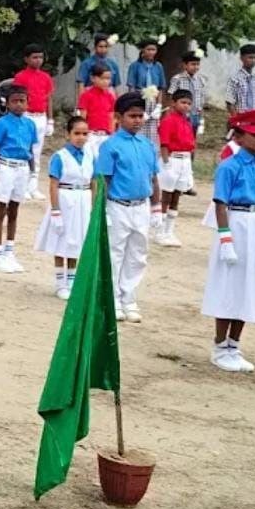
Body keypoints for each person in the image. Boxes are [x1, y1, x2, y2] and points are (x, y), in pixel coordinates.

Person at [94, 92, 162, 324]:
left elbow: (153, 178)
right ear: (118, 117)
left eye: (140, 116)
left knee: (138, 254)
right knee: (115, 253)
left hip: (141, 205)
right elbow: (104, 180)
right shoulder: (110, 145)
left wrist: (157, 207)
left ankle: (129, 298)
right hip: (118, 205)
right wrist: (101, 210)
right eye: (132, 116)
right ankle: (112, 299)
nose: (137, 120)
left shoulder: (148, 145)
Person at [202, 108, 255, 372]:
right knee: (228, 284)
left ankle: (234, 344)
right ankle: (219, 345)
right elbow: (221, 204)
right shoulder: (230, 166)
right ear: (239, 136)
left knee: (249, 285)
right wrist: (226, 239)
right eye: (254, 135)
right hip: (235, 222)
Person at [34, 116, 94, 299]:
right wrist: (56, 210)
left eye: (85, 134)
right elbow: (54, 184)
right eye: (77, 133)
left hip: (83, 198)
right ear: (68, 134)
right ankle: (61, 282)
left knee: (77, 240)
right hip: (66, 200)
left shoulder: (90, 155)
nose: (81, 138)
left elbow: (93, 182)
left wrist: (94, 205)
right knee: (62, 240)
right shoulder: (60, 157)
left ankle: (72, 279)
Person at [0, 86, 38, 274]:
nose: (19, 104)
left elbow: (30, 150)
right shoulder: (2, 123)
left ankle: (10, 250)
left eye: (22, 101)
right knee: (1, 208)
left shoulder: (30, 124)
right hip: (6, 166)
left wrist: (33, 174)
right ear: (7, 104)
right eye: (15, 101)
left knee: (15, 209)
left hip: (22, 167)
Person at [12, 44, 55, 200]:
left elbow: (49, 98)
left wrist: (50, 119)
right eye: (34, 57)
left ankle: (33, 186)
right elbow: (16, 98)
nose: (38, 60)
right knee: (23, 151)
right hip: (26, 115)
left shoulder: (46, 77)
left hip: (41, 117)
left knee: (36, 153)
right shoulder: (21, 77)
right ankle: (21, 186)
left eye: (40, 57)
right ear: (27, 59)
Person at [154, 90, 196, 247]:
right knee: (166, 196)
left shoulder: (187, 122)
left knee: (176, 196)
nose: (186, 106)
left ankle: (169, 231)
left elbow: (191, 145)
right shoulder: (168, 121)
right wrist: (166, 163)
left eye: (189, 103)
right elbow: (164, 143)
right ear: (174, 103)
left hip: (185, 161)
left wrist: (189, 168)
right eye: (183, 102)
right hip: (172, 159)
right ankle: (159, 231)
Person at [126, 37, 167, 144]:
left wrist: (159, 106)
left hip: (153, 102)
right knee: (139, 128)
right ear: (143, 50)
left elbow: (161, 87)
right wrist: (133, 104)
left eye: (153, 50)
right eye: (148, 49)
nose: (151, 52)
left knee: (152, 133)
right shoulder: (135, 66)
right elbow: (131, 87)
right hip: (139, 99)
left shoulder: (158, 66)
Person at [77, 62, 115, 158]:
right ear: (93, 78)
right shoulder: (86, 96)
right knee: (91, 160)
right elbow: (83, 117)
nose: (106, 82)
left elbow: (112, 117)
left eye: (108, 78)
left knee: (104, 162)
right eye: (102, 78)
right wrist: (83, 135)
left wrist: (112, 134)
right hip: (91, 135)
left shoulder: (110, 97)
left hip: (106, 135)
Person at [168, 50, 206, 137]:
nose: (196, 67)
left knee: (193, 138)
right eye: (193, 64)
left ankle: (191, 151)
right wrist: (171, 112)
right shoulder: (177, 79)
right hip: (182, 114)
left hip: (195, 114)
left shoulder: (201, 80)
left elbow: (201, 98)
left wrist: (202, 117)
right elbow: (171, 96)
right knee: (181, 136)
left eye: (197, 64)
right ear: (185, 65)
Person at [75, 31, 121, 104]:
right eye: (100, 46)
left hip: (109, 97)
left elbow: (116, 86)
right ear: (95, 47)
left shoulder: (113, 64)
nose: (103, 49)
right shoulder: (87, 64)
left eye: (106, 46)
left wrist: (118, 105)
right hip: (91, 97)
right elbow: (81, 85)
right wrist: (81, 103)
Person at [226, 43, 255, 126]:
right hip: (242, 119)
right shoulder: (234, 79)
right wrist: (236, 120)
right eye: (250, 57)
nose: (253, 60)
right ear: (242, 58)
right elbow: (230, 102)